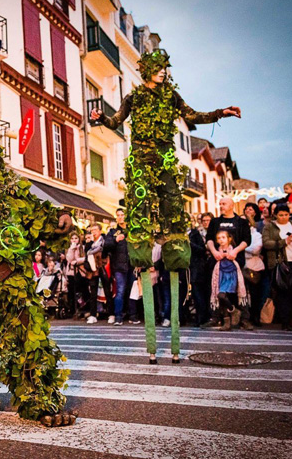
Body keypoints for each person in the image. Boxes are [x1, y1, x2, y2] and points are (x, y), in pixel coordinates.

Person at [90, 50, 240, 363]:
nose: (163, 73)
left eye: (165, 69)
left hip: (166, 160)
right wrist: (100, 119)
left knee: (173, 206)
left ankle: (173, 245)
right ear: (147, 70)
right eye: (158, 69)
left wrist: (220, 113)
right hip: (142, 161)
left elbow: (193, 115)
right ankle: (143, 245)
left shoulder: (171, 96)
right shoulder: (134, 98)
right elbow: (117, 121)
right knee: (142, 207)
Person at [262, 204, 292, 330]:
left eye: (286, 215)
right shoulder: (269, 226)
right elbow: (266, 243)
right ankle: (286, 321)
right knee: (283, 293)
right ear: (275, 215)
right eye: (281, 215)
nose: (284, 217)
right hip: (280, 262)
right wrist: (284, 242)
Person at [210, 231, 248, 331]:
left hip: (231, 274)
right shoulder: (216, 251)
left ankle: (234, 311)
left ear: (229, 239)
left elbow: (240, 262)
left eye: (223, 237)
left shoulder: (234, 250)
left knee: (222, 295)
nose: (221, 240)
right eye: (218, 238)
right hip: (220, 275)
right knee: (222, 298)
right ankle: (227, 322)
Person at [107, 208, 138, 325]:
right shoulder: (113, 232)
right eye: (118, 215)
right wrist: (115, 240)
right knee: (120, 291)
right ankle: (118, 316)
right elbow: (106, 245)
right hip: (119, 266)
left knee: (132, 291)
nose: (120, 217)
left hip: (131, 265)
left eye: (122, 215)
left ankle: (133, 315)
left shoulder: (132, 230)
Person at [189, 212, 213, 326]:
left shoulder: (215, 232)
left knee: (209, 292)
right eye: (204, 220)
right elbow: (196, 248)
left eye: (208, 220)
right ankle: (201, 317)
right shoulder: (196, 233)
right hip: (198, 267)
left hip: (212, 265)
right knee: (198, 293)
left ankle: (210, 316)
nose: (206, 223)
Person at [86, 223, 111, 324]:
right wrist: (89, 243)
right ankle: (93, 315)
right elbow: (86, 254)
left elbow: (106, 252)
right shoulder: (89, 243)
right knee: (93, 292)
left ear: (100, 231)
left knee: (107, 291)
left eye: (95, 230)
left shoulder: (104, 241)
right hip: (93, 269)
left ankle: (111, 314)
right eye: (92, 230)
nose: (94, 232)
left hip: (103, 267)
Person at [244, 216, 266, 326]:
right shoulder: (239, 235)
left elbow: (256, 249)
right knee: (242, 294)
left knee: (255, 294)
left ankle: (255, 316)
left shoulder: (257, 235)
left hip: (254, 267)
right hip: (241, 266)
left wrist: (242, 249)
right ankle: (244, 317)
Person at [65, 232, 87, 319]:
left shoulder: (83, 247)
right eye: (72, 238)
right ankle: (74, 309)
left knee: (82, 290)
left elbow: (85, 258)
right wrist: (72, 249)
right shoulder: (69, 248)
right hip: (71, 272)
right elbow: (69, 259)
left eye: (76, 238)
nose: (74, 240)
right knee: (72, 291)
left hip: (81, 271)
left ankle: (83, 308)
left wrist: (77, 261)